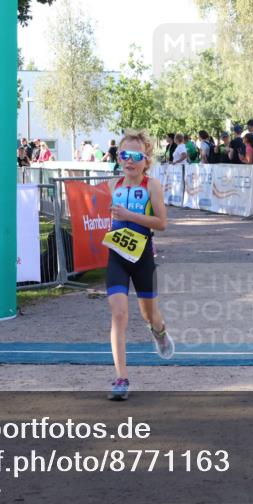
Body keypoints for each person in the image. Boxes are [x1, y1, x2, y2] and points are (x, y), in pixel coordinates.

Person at [105, 129, 175, 400]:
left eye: (135, 156)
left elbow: (162, 223)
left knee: (149, 316)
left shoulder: (152, 185)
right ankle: (121, 378)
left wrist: (129, 214)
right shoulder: (113, 185)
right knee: (119, 314)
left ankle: (159, 332)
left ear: (146, 159)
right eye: (124, 155)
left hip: (143, 257)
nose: (129, 161)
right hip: (117, 257)